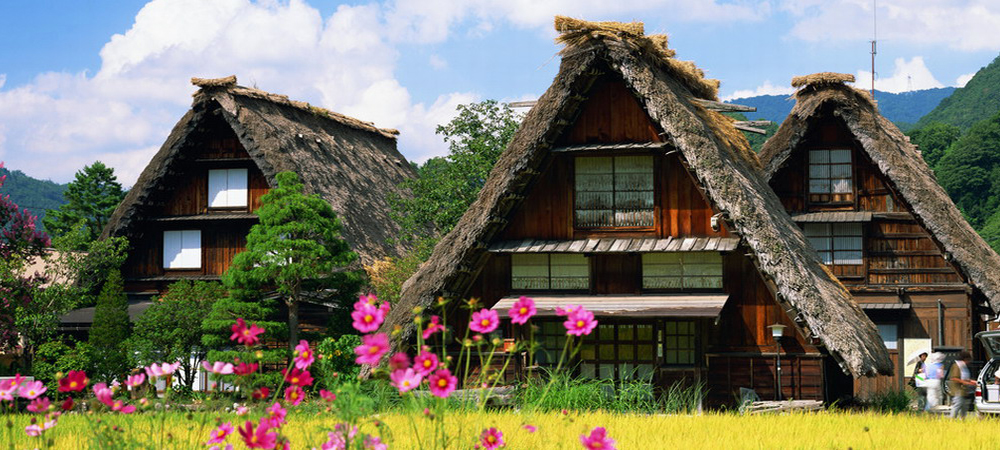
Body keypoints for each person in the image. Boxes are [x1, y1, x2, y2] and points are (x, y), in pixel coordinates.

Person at [948, 351, 976, 418]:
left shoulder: (963, 366)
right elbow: (954, 378)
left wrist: (973, 381)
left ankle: (962, 420)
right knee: (958, 404)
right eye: (968, 360)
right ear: (965, 359)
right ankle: (951, 419)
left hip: (964, 390)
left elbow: (965, 378)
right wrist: (965, 382)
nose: (969, 362)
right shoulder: (957, 366)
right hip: (958, 390)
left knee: (964, 406)